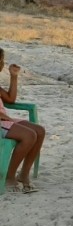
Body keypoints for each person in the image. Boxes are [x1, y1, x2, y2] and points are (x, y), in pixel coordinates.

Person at [0, 47, 45, 193]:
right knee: (29, 135)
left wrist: (13, 76)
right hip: (2, 121)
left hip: (5, 119)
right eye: (1, 60)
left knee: (39, 131)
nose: (2, 64)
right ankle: (9, 176)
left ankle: (23, 175)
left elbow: (10, 99)